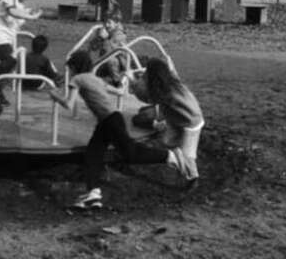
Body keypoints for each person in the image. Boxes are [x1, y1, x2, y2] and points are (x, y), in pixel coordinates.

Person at [49, 51, 194, 209]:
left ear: (75, 66)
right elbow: (117, 91)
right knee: (93, 153)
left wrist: (55, 95)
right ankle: (93, 193)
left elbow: (69, 104)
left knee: (130, 153)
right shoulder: (95, 78)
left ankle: (170, 156)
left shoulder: (77, 79)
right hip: (110, 119)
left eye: (70, 67)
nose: (70, 71)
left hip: (109, 120)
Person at [131, 58, 204, 181]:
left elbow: (145, 97)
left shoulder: (166, 93)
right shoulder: (172, 82)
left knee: (187, 158)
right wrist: (169, 63)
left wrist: (133, 82)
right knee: (167, 141)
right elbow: (171, 71)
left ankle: (193, 178)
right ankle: (178, 154)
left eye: (147, 74)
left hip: (191, 125)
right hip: (184, 119)